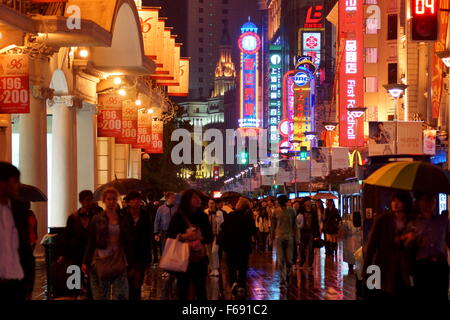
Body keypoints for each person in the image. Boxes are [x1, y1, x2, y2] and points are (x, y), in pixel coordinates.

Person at [82, 188, 132, 300]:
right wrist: (86, 261)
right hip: (102, 259)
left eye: (114, 199)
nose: (111, 202)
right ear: (104, 200)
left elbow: (127, 241)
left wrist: (130, 260)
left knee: (121, 294)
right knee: (101, 294)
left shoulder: (122, 219)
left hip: (118, 259)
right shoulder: (97, 219)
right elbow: (91, 241)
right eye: (109, 199)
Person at [363, 191, 414, 298]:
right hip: (385, 266)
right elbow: (371, 246)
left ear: (406, 203)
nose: (395, 204)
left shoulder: (412, 220)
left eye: (399, 201)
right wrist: (366, 270)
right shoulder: (382, 220)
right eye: (393, 201)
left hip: (406, 268)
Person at [166, 189, 213, 300]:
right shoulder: (178, 216)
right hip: (183, 259)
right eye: (194, 198)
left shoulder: (202, 216)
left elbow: (209, 236)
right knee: (182, 289)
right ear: (187, 200)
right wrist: (184, 237)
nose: (198, 200)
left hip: (199, 258)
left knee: (201, 289)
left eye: (199, 198)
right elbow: (170, 235)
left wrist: (200, 238)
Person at [0, 162, 35, 300]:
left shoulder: (19, 208)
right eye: (14, 181)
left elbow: (24, 247)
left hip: (16, 283)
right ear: (2, 183)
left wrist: (29, 286)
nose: (18, 185)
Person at [58, 190, 102, 298]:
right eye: (86, 200)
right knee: (74, 284)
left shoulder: (97, 216)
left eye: (91, 199)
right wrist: (62, 254)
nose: (89, 202)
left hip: (92, 255)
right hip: (76, 254)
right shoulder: (73, 217)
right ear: (81, 201)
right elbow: (67, 236)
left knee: (93, 286)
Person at [405, 192, 449, 300]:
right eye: (425, 200)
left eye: (431, 200)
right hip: (421, 268)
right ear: (419, 202)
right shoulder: (413, 223)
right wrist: (410, 241)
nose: (428, 203)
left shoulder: (443, 221)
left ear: (434, 202)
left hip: (440, 267)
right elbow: (406, 248)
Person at [221, 197, 256, 298]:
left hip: (231, 245)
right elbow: (252, 230)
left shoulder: (231, 215)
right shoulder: (248, 216)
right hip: (244, 245)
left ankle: (233, 282)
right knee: (242, 266)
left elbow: (223, 227)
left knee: (231, 265)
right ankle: (241, 285)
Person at [123, 191, 152, 300]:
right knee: (127, 285)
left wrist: (148, 262)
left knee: (137, 284)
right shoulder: (123, 216)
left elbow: (148, 238)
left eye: (138, 199)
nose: (136, 202)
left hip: (141, 255)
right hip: (127, 256)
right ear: (128, 202)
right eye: (133, 200)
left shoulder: (145, 216)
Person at [271, 195, 297, 287]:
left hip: (289, 237)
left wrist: (297, 239)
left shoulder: (292, 211)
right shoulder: (275, 212)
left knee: (289, 259)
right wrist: (271, 238)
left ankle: (288, 271)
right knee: (281, 260)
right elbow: (273, 227)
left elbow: (295, 226)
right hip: (279, 237)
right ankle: (282, 280)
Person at [298, 197, 320, 269]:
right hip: (303, 232)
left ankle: (310, 264)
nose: (309, 203)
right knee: (302, 248)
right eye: (307, 201)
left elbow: (316, 223)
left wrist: (317, 234)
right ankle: (302, 262)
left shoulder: (313, 211)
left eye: (309, 201)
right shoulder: (301, 210)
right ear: (304, 203)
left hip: (311, 232)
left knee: (311, 248)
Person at [204, 199, 224, 276]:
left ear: (215, 204)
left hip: (216, 235)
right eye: (210, 203)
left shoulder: (220, 213)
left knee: (214, 251)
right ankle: (212, 268)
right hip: (207, 235)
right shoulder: (205, 212)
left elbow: (222, 224)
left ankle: (216, 268)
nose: (211, 205)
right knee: (209, 253)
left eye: (212, 203)